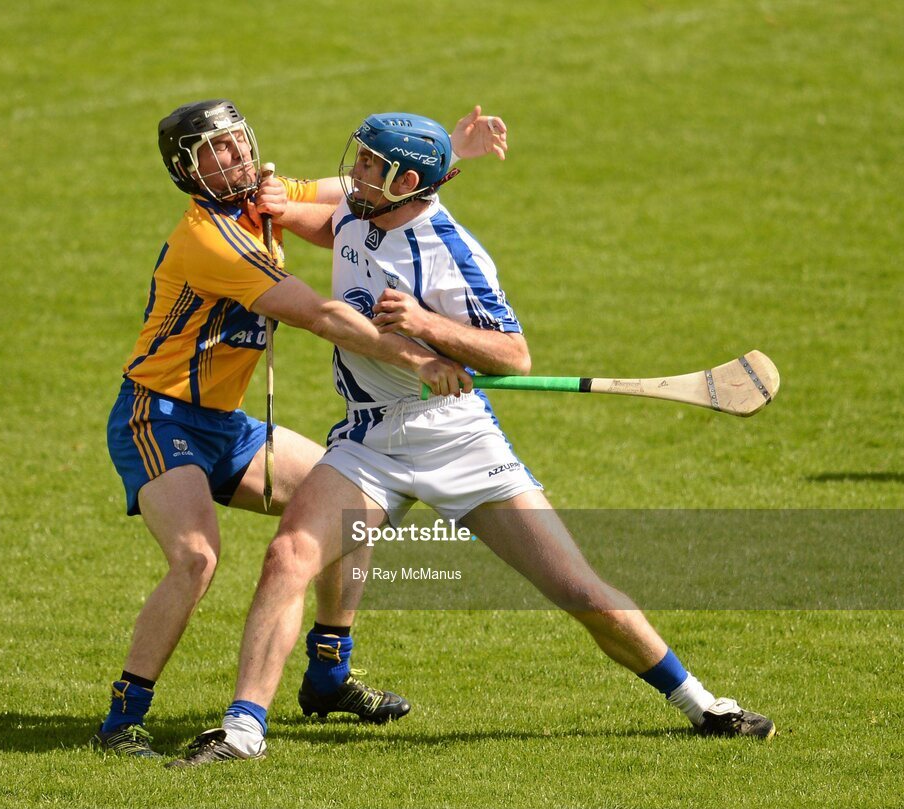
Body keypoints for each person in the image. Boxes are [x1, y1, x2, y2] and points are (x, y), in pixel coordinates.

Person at [165, 112, 775, 767]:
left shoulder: (454, 255)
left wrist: (430, 325)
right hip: (368, 438)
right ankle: (243, 730)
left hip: (457, 442)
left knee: (579, 591)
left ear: (404, 182)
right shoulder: (357, 210)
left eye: (369, 164)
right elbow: (331, 226)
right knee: (287, 556)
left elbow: (513, 354)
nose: (354, 172)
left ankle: (704, 704)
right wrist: (282, 211)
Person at [92, 99, 506, 757]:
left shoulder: (262, 197)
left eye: (234, 143)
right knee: (196, 557)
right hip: (158, 415)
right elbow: (323, 315)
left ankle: (328, 676)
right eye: (212, 152)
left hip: (226, 425)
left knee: (351, 502)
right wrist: (422, 358)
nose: (231, 159)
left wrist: (447, 157)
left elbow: (361, 190)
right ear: (185, 170)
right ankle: (123, 719)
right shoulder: (209, 238)